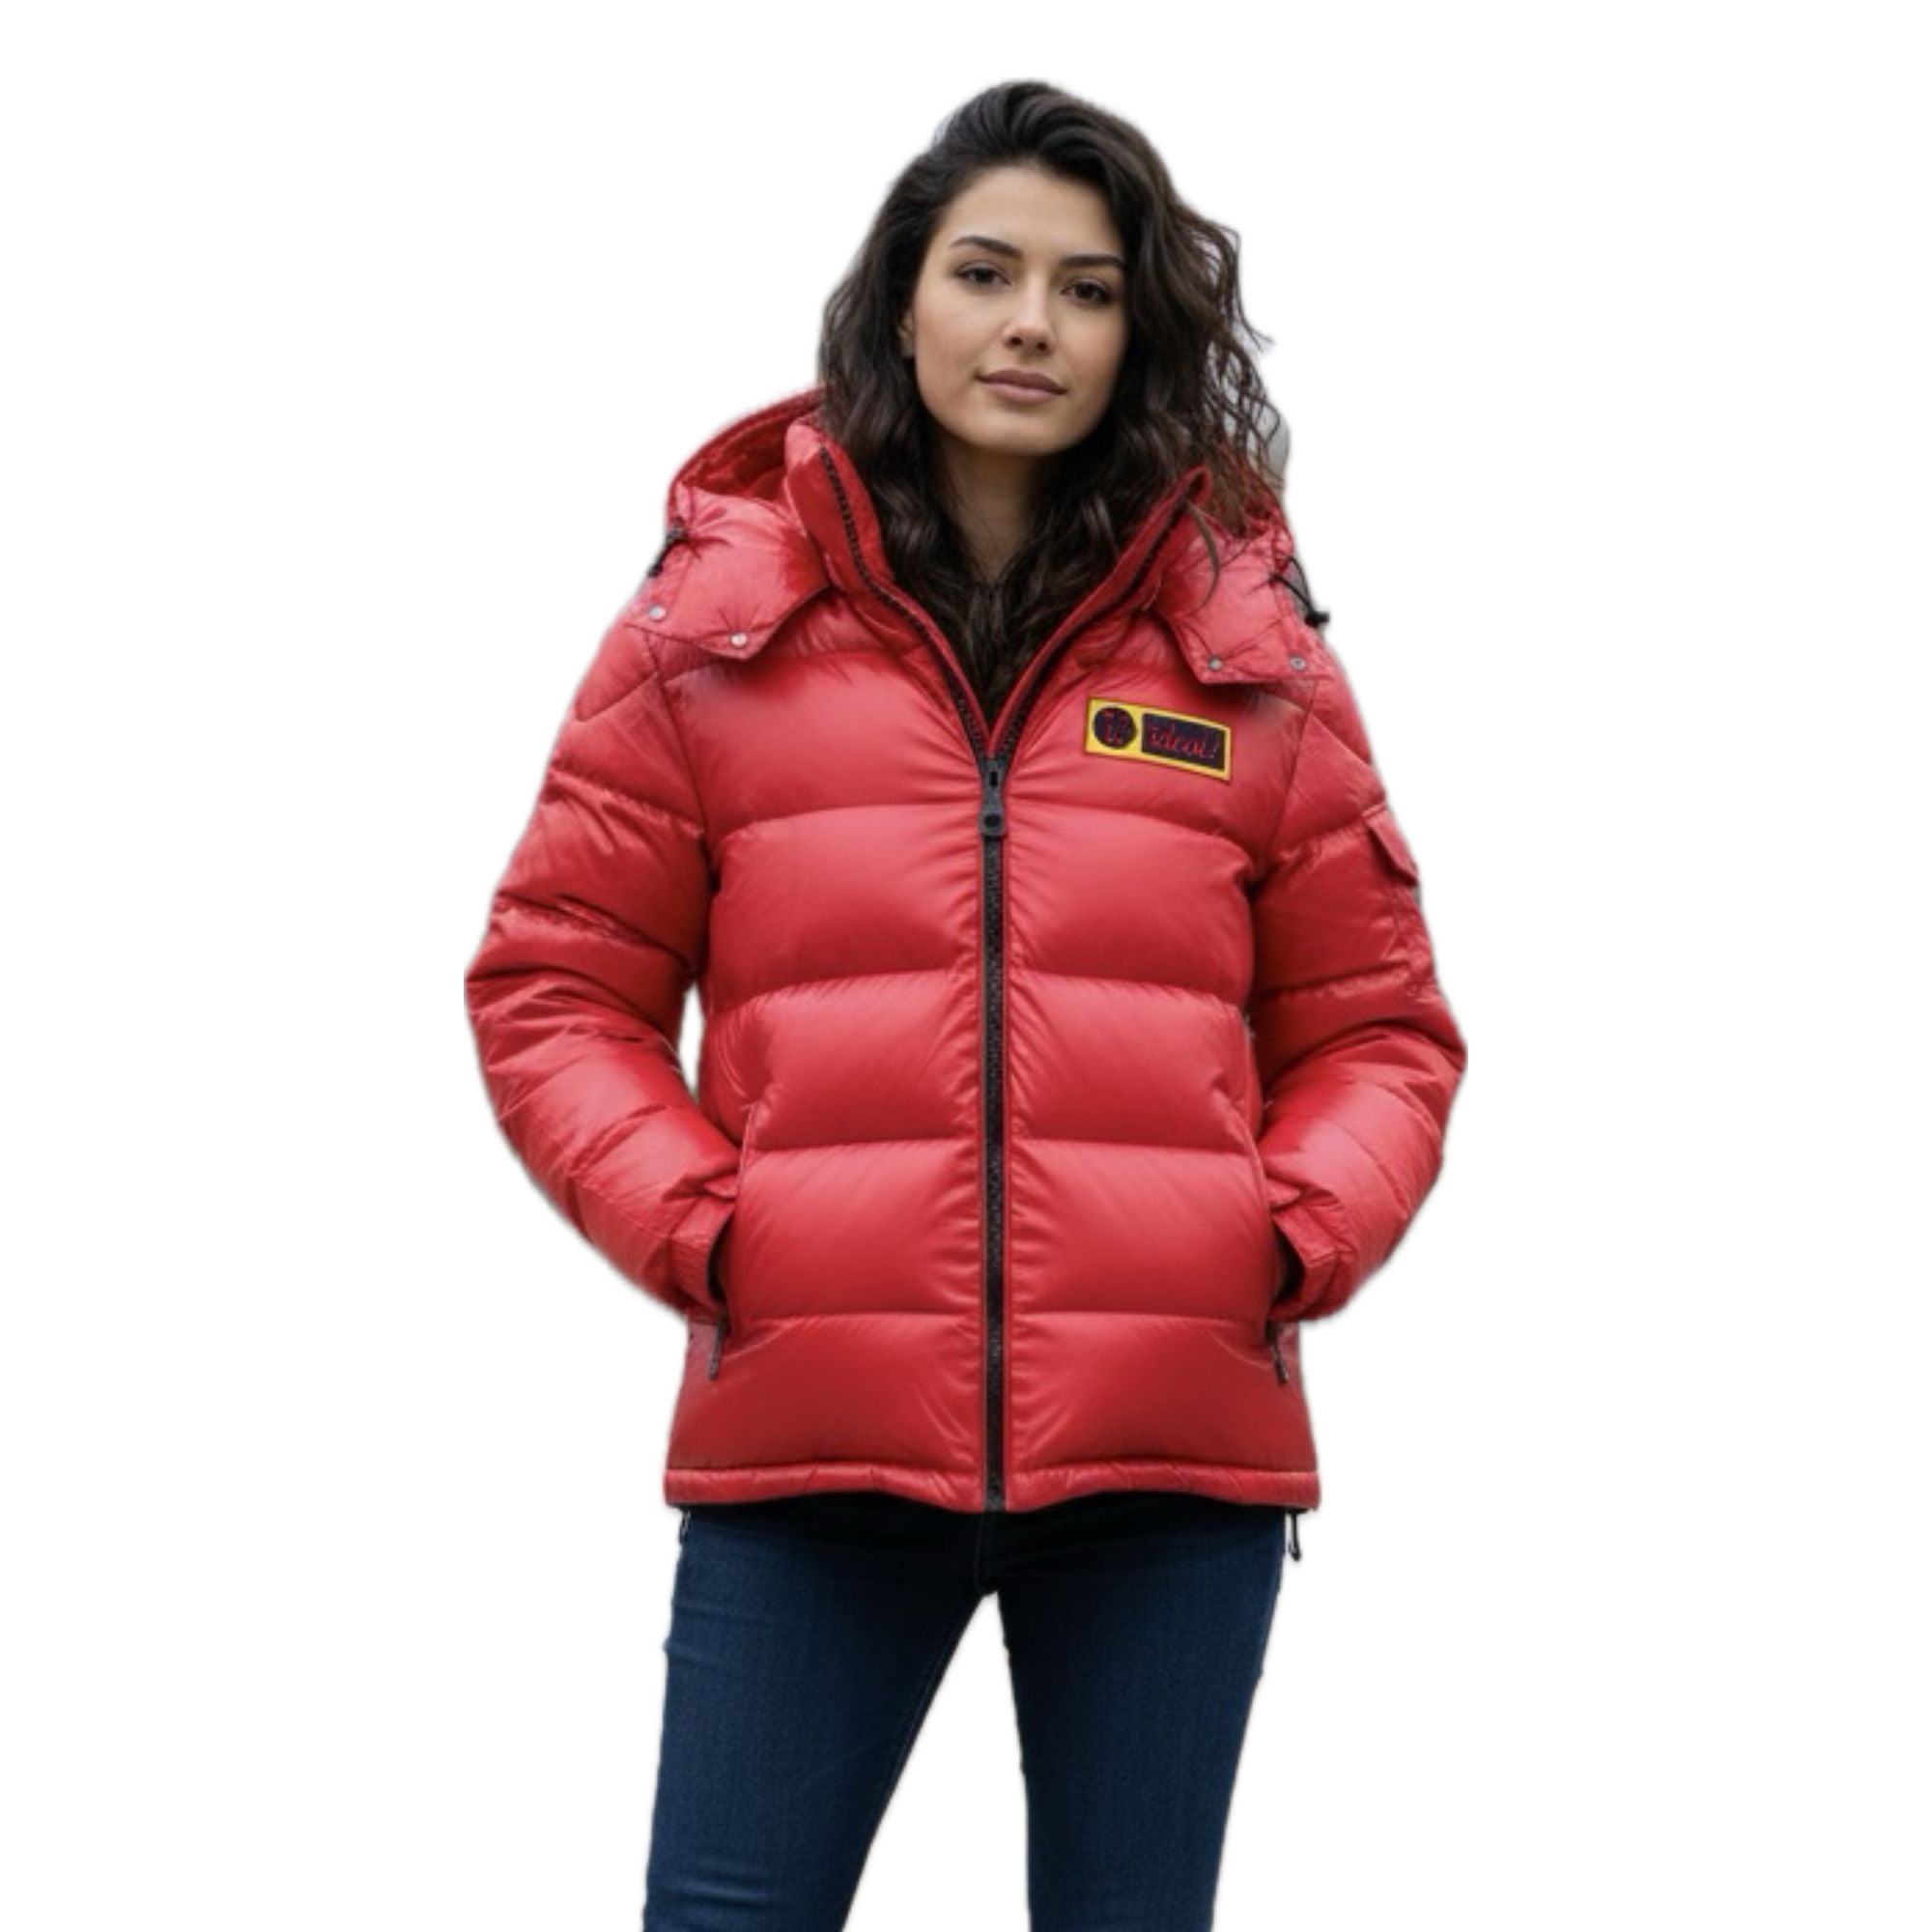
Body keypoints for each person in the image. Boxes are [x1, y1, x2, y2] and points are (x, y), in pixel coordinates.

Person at [464, 79, 1467, 1932]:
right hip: (815, 1443)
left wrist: (1280, 1235)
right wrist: (712, 1228)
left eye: (1088, 290)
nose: (1032, 324)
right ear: (900, 301)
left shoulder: (1244, 651)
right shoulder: (715, 631)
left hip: (1169, 1460)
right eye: (986, 272)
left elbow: (1378, 1028)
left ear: (1138, 332)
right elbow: (557, 983)